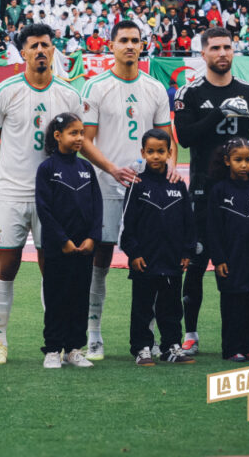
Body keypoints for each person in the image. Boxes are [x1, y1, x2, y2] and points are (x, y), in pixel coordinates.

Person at [0, 23, 82, 365]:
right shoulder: (4, 91)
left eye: (46, 45)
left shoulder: (68, 94)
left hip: (53, 198)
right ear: (23, 52)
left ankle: (57, 344)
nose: (40, 50)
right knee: (6, 265)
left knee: (52, 269)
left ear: (53, 50)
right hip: (12, 193)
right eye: (34, 46)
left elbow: (76, 141)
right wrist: (13, 170)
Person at [78, 20, 177, 361]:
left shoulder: (155, 88)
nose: (131, 45)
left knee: (151, 260)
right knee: (100, 258)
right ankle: (94, 335)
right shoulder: (96, 86)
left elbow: (167, 139)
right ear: (112, 45)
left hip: (147, 191)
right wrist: (111, 169)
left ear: (143, 45)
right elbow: (85, 140)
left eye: (136, 40)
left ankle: (150, 339)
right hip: (106, 185)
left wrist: (171, 167)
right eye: (124, 40)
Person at [173, 26, 249, 356]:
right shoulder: (190, 92)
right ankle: (191, 333)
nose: (222, 53)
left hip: (243, 194)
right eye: (214, 48)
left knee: (245, 263)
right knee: (198, 262)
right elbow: (185, 138)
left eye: (227, 47)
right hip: (204, 191)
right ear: (203, 53)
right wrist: (220, 111)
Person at [119, 129, 196, 366]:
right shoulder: (137, 185)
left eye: (160, 151)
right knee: (142, 307)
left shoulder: (178, 184)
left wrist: (187, 251)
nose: (155, 156)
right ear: (143, 153)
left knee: (171, 307)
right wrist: (134, 253)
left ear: (169, 153)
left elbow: (188, 222)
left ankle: (171, 347)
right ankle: (141, 348)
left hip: (172, 260)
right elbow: (127, 224)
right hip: (145, 261)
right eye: (150, 151)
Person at [34, 112, 102, 369]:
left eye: (82, 133)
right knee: (56, 299)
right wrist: (62, 240)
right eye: (73, 133)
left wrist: (92, 237)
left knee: (79, 299)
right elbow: (44, 209)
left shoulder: (86, 168)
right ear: (57, 136)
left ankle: (74, 349)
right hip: (57, 248)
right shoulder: (47, 169)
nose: (79, 138)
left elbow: (97, 206)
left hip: (84, 249)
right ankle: (53, 349)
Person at [207, 138, 249, 361]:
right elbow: (213, 229)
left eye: (248, 160)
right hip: (230, 258)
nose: (244, 164)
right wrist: (219, 259)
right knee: (232, 304)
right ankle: (232, 348)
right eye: (238, 160)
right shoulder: (219, 190)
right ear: (227, 161)